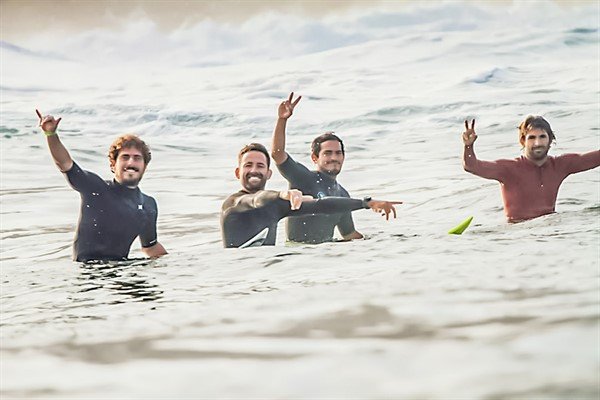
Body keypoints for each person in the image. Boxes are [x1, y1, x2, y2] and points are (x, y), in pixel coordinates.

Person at [36, 109, 168, 262]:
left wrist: (180, 266)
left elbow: (150, 247)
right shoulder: (96, 188)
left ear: (145, 166)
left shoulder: (148, 205)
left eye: (137, 158)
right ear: (113, 165)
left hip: (123, 270)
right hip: (89, 270)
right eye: (125, 157)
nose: (131, 162)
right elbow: (65, 164)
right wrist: (51, 134)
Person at [221, 143, 400, 248]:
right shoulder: (234, 203)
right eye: (248, 165)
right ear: (237, 173)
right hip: (238, 277)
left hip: (264, 277)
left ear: (268, 174)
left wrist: (366, 203)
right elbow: (256, 200)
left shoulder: (275, 206)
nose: (254, 170)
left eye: (260, 166)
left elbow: (322, 205)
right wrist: (283, 193)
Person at [462, 116, 600, 222]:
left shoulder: (559, 165)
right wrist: (468, 146)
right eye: (532, 138)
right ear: (523, 141)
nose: (537, 143)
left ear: (550, 139)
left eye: (542, 137)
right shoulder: (509, 169)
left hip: (552, 230)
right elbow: (472, 166)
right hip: (519, 232)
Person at [271, 93, 364, 244]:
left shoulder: (343, 195)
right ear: (315, 158)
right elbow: (277, 154)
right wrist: (282, 120)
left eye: (338, 153)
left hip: (325, 255)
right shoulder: (303, 178)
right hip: (298, 253)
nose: (334, 157)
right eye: (327, 153)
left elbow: (349, 234)